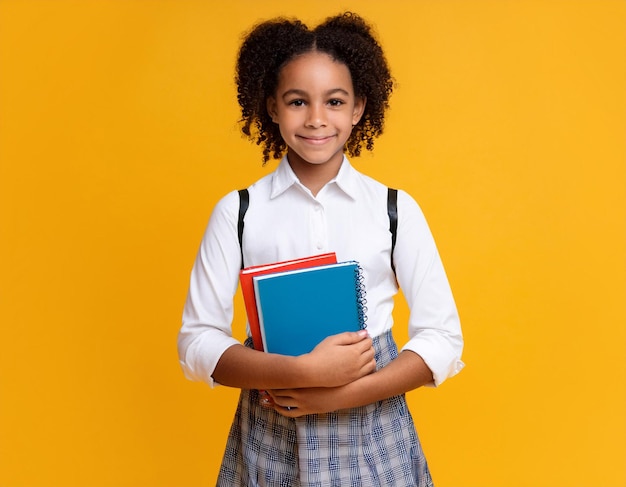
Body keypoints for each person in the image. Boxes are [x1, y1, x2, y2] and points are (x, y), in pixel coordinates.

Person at [178, 12, 464, 487]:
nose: (316, 119)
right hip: (270, 430)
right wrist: (300, 370)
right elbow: (197, 341)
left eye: (334, 101)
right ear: (272, 107)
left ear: (357, 108)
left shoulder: (394, 210)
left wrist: (340, 394)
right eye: (297, 101)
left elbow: (443, 339)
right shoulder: (239, 212)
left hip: (375, 430)